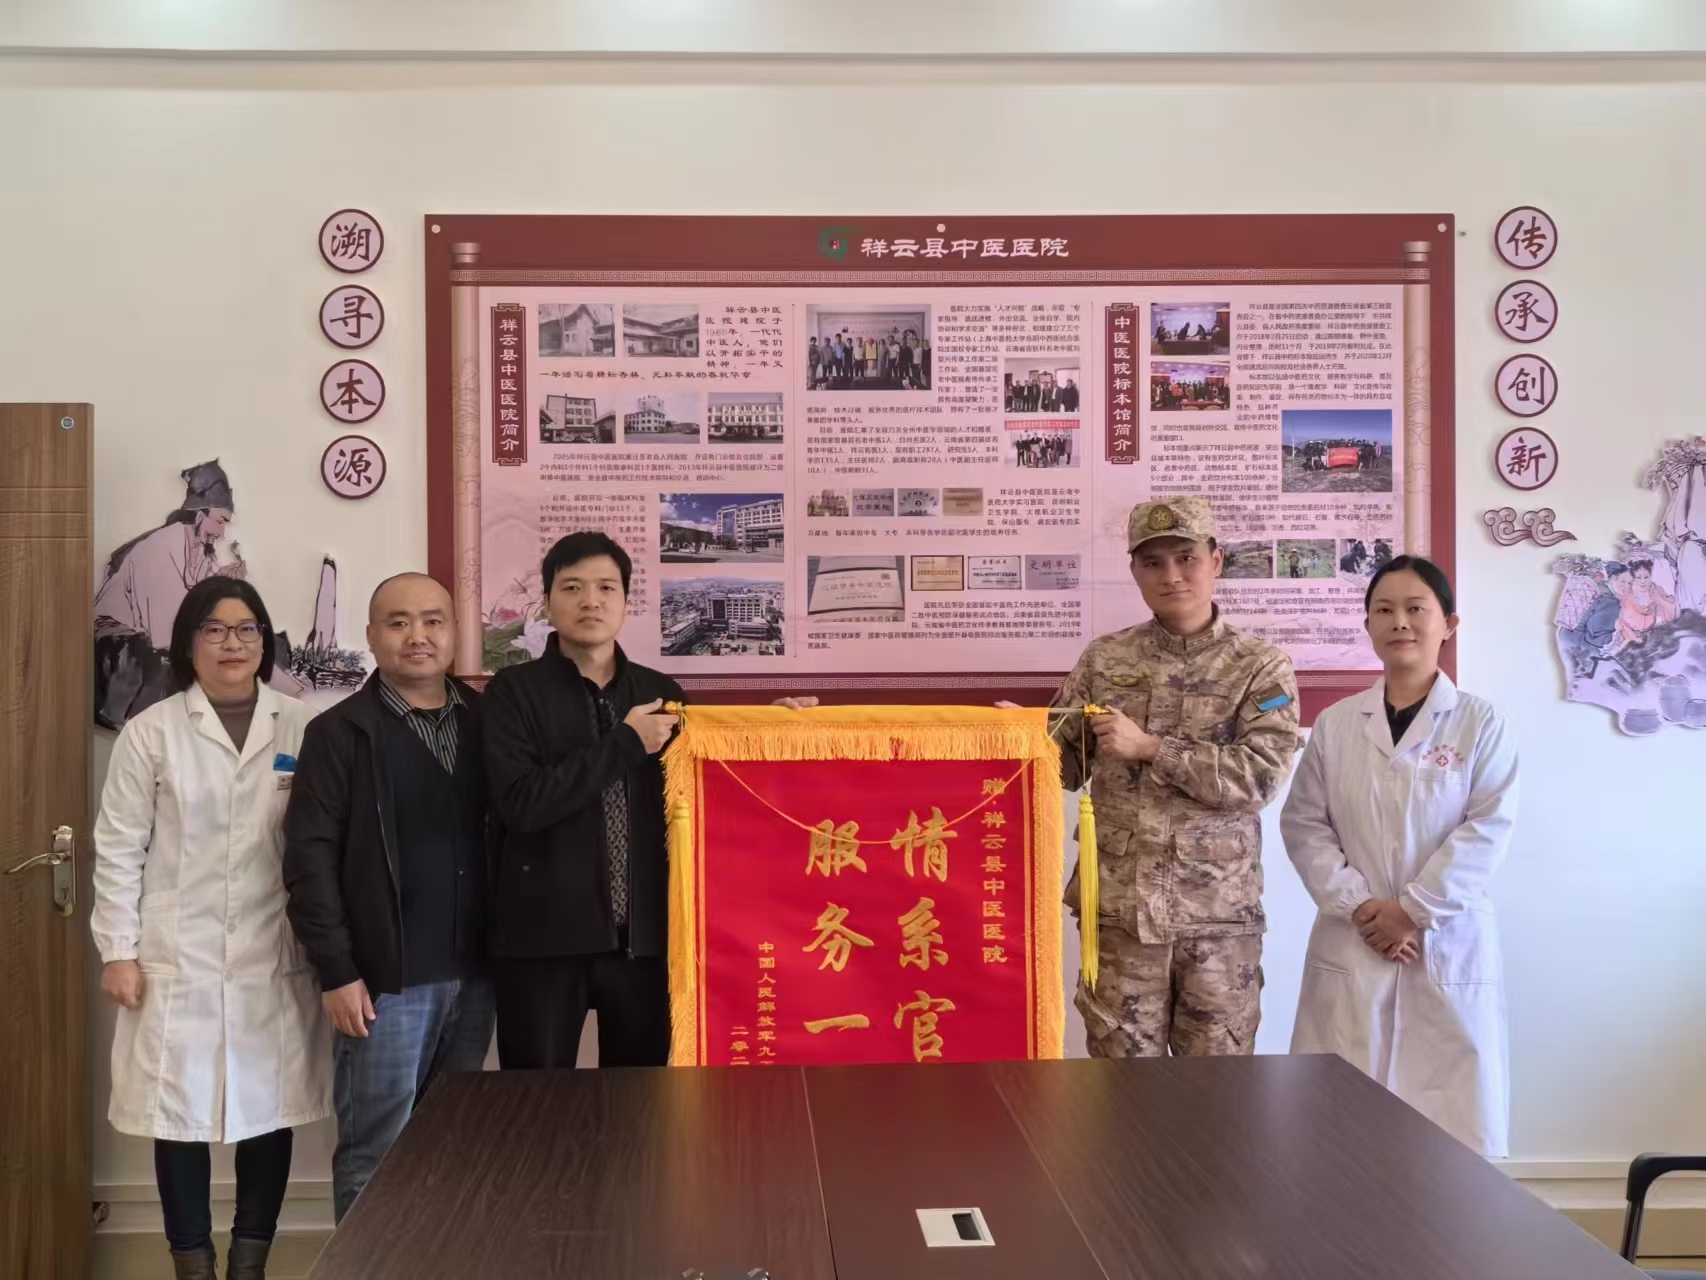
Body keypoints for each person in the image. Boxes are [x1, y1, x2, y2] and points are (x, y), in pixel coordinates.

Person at [482, 532, 813, 1068]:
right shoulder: (512, 692)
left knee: (640, 1103)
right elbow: (521, 803)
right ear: (547, 602)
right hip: (542, 941)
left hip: (646, 941)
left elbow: (709, 784)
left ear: (626, 600)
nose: (591, 601)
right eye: (573, 587)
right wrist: (626, 743)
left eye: (606, 587)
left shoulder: (661, 692)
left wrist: (765, 726)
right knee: (535, 1101)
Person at [91, 578, 329, 1280]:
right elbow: (119, 846)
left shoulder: (303, 726)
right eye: (215, 630)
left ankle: (250, 1264)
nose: (233, 643)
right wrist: (119, 951)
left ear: (265, 641)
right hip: (178, 955)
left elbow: (325, 843)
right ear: (188, 642)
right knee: (178, 1112)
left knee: (268, 1108)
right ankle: (192, 1266)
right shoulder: (152, 731)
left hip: (272, 948)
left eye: (247, 629)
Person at [1044, 497, 1301, 1057]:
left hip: (1217, 922)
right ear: (1135, 571)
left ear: (1216, 561)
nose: (1172, 575)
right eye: (1153, 562)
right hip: (1121, 918)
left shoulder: (1260, 666)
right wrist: (1015, 736)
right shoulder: (1104, 660)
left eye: (1186, 558)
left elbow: (1259, 777)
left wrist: (1152, 749)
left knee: (1215, 1090)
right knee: (1121, 1090)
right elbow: (1062, 766)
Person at [1281, 556, 1519, 1156]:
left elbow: (1488, 828)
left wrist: (1412, 912)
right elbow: (1305, 824)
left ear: (1449, 625)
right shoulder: (1336, 725)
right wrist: (1363, 908)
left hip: (1444, 944)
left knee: (1448, 1141)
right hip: (1353, 941)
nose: (1400, 622)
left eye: (1417, 609)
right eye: (1384, 610)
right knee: (1341, 1138)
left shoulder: (1480, 723)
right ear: (1367, 625)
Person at [282, 573, 495, 1224]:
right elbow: (309, 860)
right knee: (377, 1151)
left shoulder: (489, 724)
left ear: (455, 633)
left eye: (433, 621)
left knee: (450, 1145)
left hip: (477, 976)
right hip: (384, 983)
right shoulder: (339, 733)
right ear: (372, 637)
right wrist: (338, 970)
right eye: (398, 622)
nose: (417, 636)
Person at [94, 461, 248, 730]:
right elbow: (165, 631)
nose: (222, 533)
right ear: (199, 515)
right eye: (220, 521)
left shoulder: (203, 552)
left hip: (157, 639)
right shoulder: (160, 548)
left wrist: (224, 584)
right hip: (119, 646)